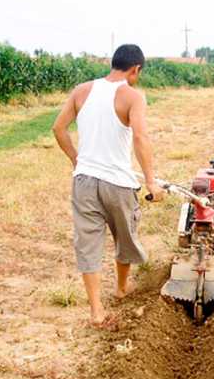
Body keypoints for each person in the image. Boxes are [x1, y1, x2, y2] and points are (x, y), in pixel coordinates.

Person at [52, 44, 165, 328]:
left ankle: (96, 311)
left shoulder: (82, 90)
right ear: (135, 69)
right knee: (124, 237)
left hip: (85, 181)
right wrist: (151, 181)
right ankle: (121, 288)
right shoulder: (133, 96)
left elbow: (58, 128)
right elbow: (140, 138)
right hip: (117, 183)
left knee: (87, 243)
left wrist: (77, 160)